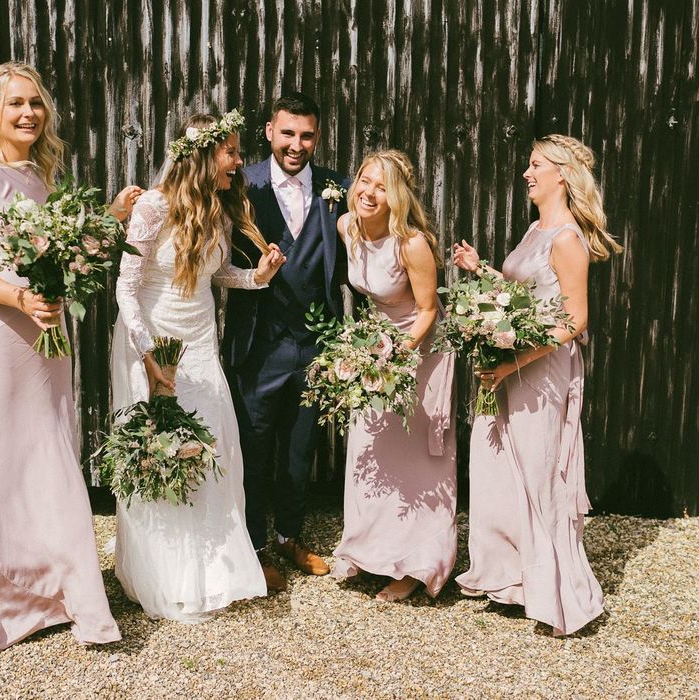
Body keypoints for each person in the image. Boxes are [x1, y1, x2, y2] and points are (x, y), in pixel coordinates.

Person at [0, 62, 137, 657]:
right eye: (15, 105)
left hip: (45, 343)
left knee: (47, 454)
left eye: (36, 104)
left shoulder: (41, 176)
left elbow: (60, 250)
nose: (29, 113)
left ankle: (54, 592)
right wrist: (19, 297)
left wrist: (105, 223)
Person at [111, 110, 286, 621]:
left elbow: (218, 275)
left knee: (212, 442)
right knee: (159, 448)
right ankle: (163, 571)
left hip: (202, 340)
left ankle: (212, 569)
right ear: (205, 154)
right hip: (153, 339)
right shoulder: (153, 207)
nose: (239, 161)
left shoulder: (219, 210)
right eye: (231, 151)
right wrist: (148, 356)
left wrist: (260, 276)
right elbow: (126, 285)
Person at [453, 134, 622, 635]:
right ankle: (516, 580)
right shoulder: (534, 230)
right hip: (513, 363)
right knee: (503, 469)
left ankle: (563, 598)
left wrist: (513, 363)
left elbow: (573, 320)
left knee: (541, 472)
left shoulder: (567, 239)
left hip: (541, 373)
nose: (526, 174)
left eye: (535, 166)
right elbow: (523, 297)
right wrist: (480, 270)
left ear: (562, 175)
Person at [223, 93, 351, 591]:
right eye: (288, 133)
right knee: (255, 450)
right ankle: (255, 547)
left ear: (316, 137)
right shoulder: (239, 181)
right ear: (269, 131)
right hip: (258, 343)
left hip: (315, 342)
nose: (297, 145)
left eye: (307, 135)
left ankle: (289, 537)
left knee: (301, 449)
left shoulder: (336, 185)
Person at [331, 150, 458, 602]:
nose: (369, 192)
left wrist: (395, 358)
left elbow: (427, 311)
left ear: (396, 196)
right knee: (370, 447)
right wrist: (370, 353)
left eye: (381, 187)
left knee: (415, 460)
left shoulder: (412, 243)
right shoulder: (347, 226)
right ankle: (368, 550)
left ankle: (413, 565)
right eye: (365, 180)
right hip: (377, 346)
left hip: (418, 350)